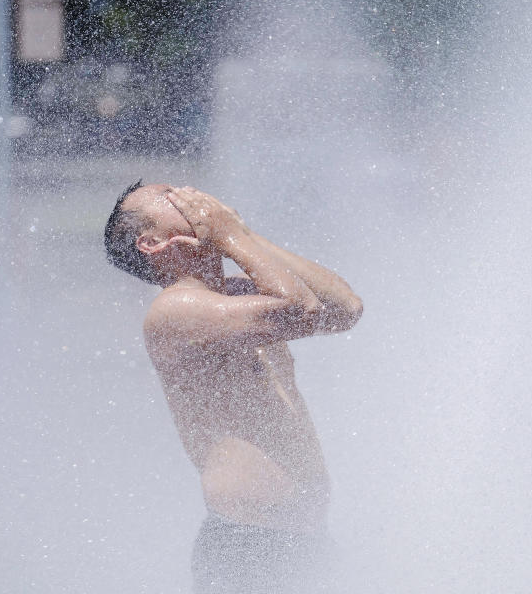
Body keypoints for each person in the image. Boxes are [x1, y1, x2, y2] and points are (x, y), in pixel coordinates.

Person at [104, 182, 363, 593]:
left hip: (306, 538)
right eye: (169, 195)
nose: (188, 193)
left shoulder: (238, 293)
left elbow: (345, 309)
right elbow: (301, 311)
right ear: (152, 242)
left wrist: (244, 236)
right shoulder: (174, 310)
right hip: (249, 545)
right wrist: (229, 236)